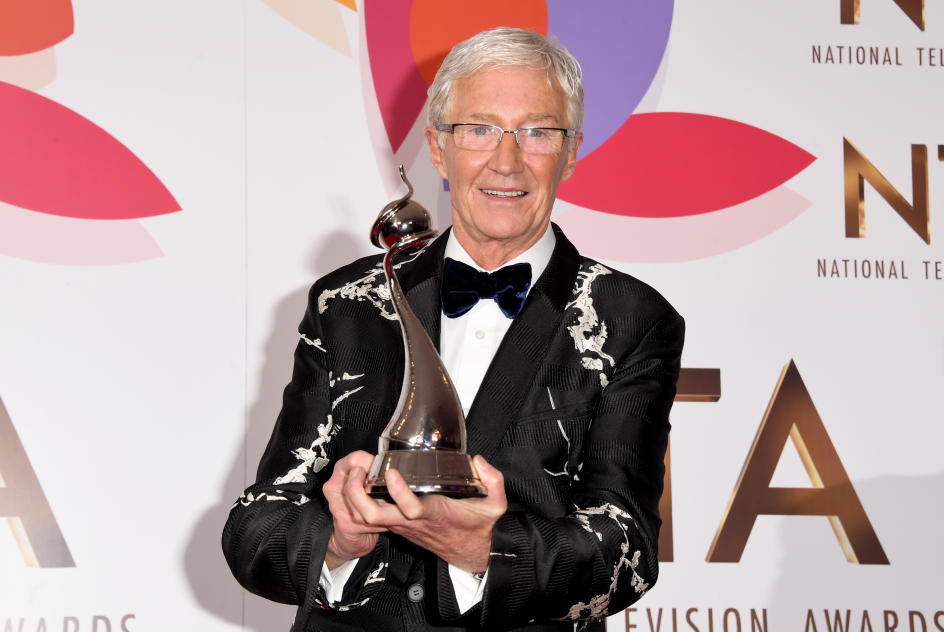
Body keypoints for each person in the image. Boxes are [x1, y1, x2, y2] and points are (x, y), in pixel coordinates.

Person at [222, 27, 684, 632]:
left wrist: (484, 550)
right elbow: (256, 526)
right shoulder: (349, 303)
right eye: (479, 128)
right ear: (438, 149)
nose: (507, 160)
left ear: (571, 153)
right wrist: (338, 537)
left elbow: (626, 552)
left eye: (538, 132)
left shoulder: (629, 318)